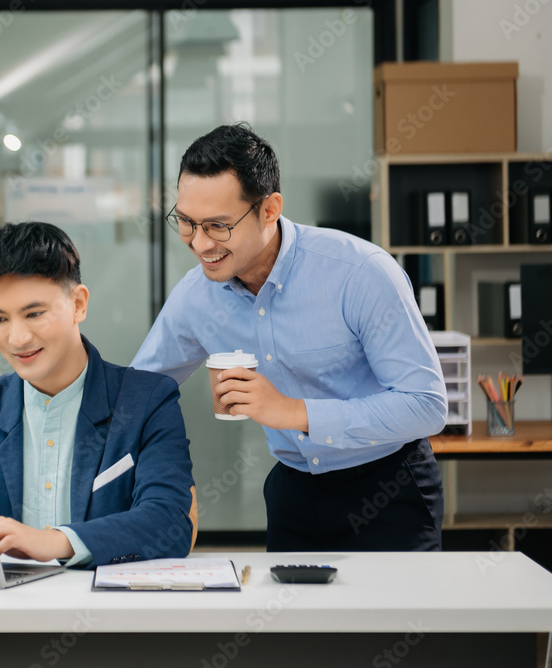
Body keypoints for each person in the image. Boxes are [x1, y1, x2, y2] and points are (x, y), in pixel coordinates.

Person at [132, 123, 447, 552]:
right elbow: (139, 391)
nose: (200, 243)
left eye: (218, 226)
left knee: (389, 621)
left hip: (389, 486)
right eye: (186, 222)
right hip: (293, 494)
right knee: (292, 621)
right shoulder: (196, 297)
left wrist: (293, 412)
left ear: (269, 209)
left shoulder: (361, 273)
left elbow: (426, 405)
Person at [0, 222, 195, 567]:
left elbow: (168, 522)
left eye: (34, 314)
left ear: (78, 304)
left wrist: (56, 541)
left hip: (102, 613)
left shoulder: (147, 401)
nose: (18, 338)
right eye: (0, 319)